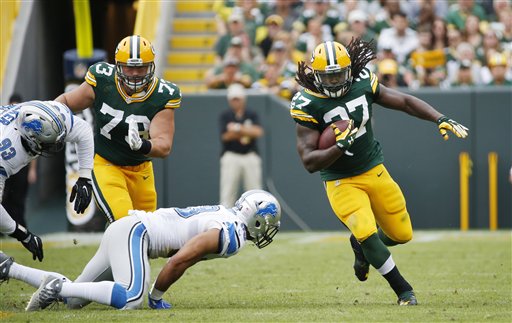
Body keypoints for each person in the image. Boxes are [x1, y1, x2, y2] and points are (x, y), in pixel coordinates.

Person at [290, 39, 468, 306]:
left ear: (350, 70)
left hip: (373, 167)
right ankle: (403, 290)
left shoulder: (363, 81)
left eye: (340, 74)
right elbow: (309, 162)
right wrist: (340, 146)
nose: (336, 81)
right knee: (365, 229)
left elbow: (404, 101)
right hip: (340, 180)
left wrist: (439, 117)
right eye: (329, 77)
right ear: (316, 77)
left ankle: (362, 247)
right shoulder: (307, 102)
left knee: (401, 234)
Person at [0, 189, 281, 311]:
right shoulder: (231, 234)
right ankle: (57, 287)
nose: (268, 229)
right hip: (138, 233)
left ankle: (10, 268)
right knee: (132, 296)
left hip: (128, 229)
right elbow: (181, 260)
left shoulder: (226, 217)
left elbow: (187, 255)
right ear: (256, 218)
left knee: (75, 300)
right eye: (268, 222)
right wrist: (156, 296)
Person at [55, 35, 182, 223]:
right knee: (125, 221)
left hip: (141, 169)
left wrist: (142, 145)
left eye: (141, 67)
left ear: (151, 66)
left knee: (149, 232)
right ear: (118, 65)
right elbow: (66, 101)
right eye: (129, 67)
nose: (135, 73)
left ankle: (113, 249)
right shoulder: (103, 79)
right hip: (107, 163)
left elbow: (164, 146)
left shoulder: (163, 94)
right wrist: (51, 116)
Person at [0, 100, 95, 261]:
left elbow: (84, 130)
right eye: (48, 143)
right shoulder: (6, 153)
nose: (55, 145)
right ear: (30, 138)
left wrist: (85, 177)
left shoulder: (54, 114)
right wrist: (23, 234)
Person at [219, 84, 264, 207]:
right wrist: (246, 130)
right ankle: (226, 222)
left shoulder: (251, 114)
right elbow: (225, 136)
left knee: (255, 192)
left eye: (238, 99)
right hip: (231, 156)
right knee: (228, 192)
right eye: (233, 99)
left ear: (243, 99)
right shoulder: (225, 115)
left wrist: (237, 128)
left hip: (250, 155)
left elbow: (258, 132)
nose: (236, 102)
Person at [1, 94, 38, 229]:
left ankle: (21, 228)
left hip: (21, 166)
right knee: (4, 198)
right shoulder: (4, 123)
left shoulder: (26, 121)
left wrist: (32, 170)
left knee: (18, 199)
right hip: (5, 165)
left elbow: (35, 147)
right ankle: (6, 229)